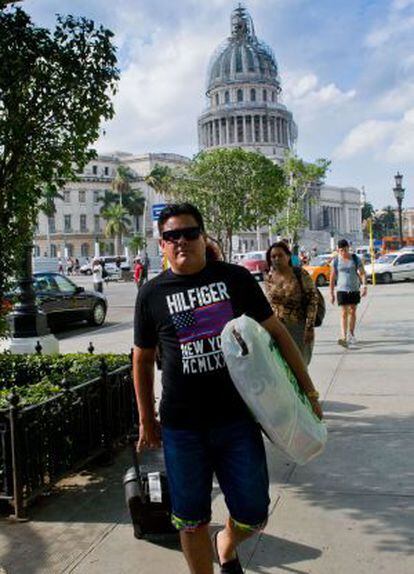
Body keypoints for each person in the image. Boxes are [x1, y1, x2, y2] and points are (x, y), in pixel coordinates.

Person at [133, 203, 322, 574]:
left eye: (189, 233)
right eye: (172, 236)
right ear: (162, 245)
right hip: (182, 426)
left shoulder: (234, 279)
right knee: (189, 519)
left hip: (236, 419)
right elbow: (141, 360)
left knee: (253, 512)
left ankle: (227, 543)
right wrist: (145, 419)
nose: (182, 241)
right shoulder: (151, 294)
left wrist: (309, 393)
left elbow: (278, 335)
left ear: (203, 237)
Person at [264, 241, 319, 365]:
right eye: (273, 257)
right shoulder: (269, 277)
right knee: (280, 369)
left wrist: (309, 327)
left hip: (298, 328)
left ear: (288, 256)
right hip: (276, 329)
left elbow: (313, 300)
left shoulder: (300, 274)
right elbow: (269, 303)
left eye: (280, 255)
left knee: (299, 367)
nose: (276, 259)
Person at [330, 238, 367, 348]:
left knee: (353, 311)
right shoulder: (336, 261)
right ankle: (344, 336)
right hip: (341, 289)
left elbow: (362, 273)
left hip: (354, 288)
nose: (343, 252)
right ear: (338, 250)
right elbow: (332, 278)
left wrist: (364, 286)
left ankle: (351, 333)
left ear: (348, 248)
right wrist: (331, 293)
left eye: (345, 250)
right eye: (340, 250)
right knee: (343, 312)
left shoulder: (356, 259)